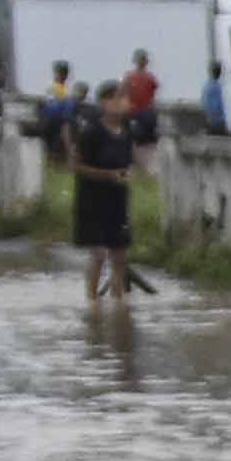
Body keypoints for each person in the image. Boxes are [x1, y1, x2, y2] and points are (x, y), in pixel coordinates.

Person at [67, 63, 153, 307]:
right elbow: (76, 166)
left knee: (120, 255)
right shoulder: (91, 132)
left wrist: (138, 171)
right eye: (121, 98)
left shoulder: (126, 130)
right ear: (105, 103)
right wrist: (108, 175)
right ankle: (92, 303)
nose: (126, 103)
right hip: (93, 200)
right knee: (98, 254)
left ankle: (119, 304)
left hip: (118, 199)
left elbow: (132, 158)